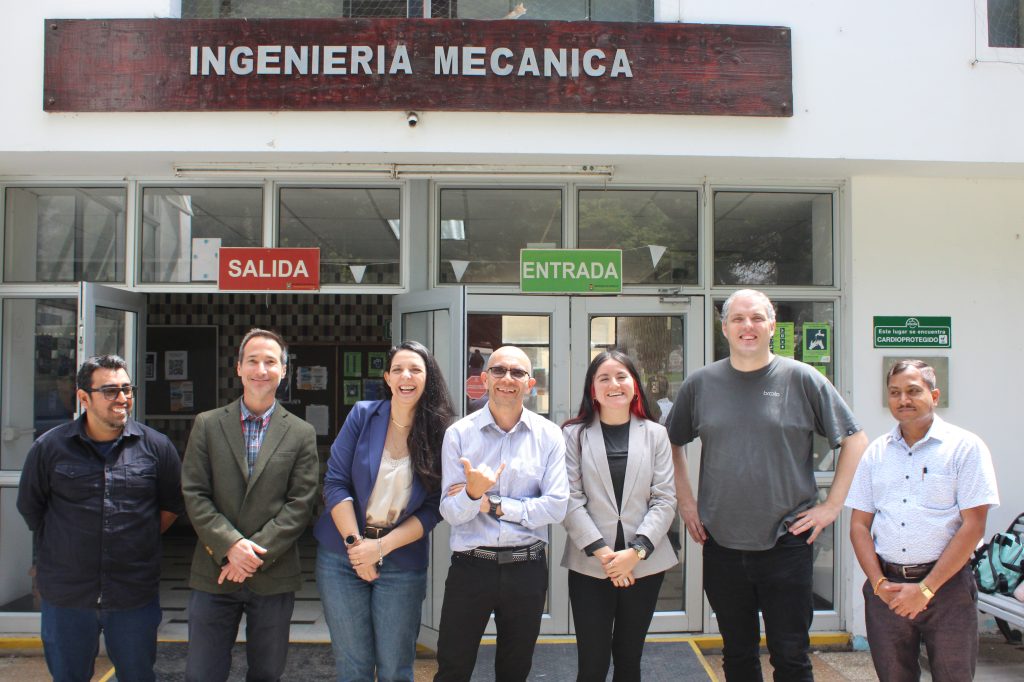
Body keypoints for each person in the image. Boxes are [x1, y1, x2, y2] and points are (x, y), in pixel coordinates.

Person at [666, 289, 868, 682]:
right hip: (722, 543)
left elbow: (855, 440)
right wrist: (686, 502)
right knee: (737, 656)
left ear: (772, 325)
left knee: (791, 656)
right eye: (738, 319)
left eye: (757, 318)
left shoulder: (802, 378)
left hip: (787, 542)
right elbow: (671, 441)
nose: (748, 326)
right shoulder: (702, 384)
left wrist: (831, 507)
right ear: (724, 327)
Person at [17, 354, 183, 682]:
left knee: (137, 675)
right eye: (110, 391)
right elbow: (31, 508)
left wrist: (135, 541)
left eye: (127, 389)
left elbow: (169, 508)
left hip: (132, 594)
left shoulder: (156, 447)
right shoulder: (49, 448)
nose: (122, 398)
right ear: (83, 398)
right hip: (67, 595)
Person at [847, 360, 999, 682]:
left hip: (948, 590)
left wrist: (926, 590)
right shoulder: (876, 453)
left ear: (934, 395)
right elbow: (859, 525)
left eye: (913, 391)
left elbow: (974, 526)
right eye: (895, 392)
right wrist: (878, 584)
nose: (903, 399)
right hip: (886, 589)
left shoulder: (964, 448)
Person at [181, 328, 319, 682]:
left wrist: (251, 554)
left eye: (270, 362)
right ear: (238, 367)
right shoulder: (208, 424)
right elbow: (195, 492)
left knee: (267, 673)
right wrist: (231, 547)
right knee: (203, 672)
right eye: (253, 361)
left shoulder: (301, 432)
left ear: (283, 370)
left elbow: (300, 504)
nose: (261, 369)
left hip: (272, 574)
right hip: (215, 571)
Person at [314, 340, 455, 681]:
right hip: (342, 557)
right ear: (387, 378)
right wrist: (356, 546)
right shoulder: (363, 415)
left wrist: (379, 548)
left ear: (428, 378)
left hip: (401, 560)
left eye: (415, 370)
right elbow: (334, 483)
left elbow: (435, 507)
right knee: (353, 665)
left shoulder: (442, 431)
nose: (406, 376)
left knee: (395, 667)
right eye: (398, 370)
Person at [433, 346, 569, 682]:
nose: (507, 378)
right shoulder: (459, 434)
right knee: (453, 667)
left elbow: (555, 505)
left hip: (527, 567)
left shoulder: (549, 435)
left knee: (515, 669)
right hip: (471, 567)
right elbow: (450, 511)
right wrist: (472, 494)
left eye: (517, 373)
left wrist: (488, 504)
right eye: (498, 370)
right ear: (483, 379)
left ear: (531, 383)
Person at [561, 350, 677, 682]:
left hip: (644, 565)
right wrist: (606, 555)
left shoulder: (655, 434)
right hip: (590, 566)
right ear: (592, 389)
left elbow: (665, 499)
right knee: (592, 664)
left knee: (629, 660)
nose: (614, 384)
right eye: (604, 378)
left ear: (635, 386)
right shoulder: (574, 435)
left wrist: (635, 552)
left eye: (622, 376)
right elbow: (570, 499)